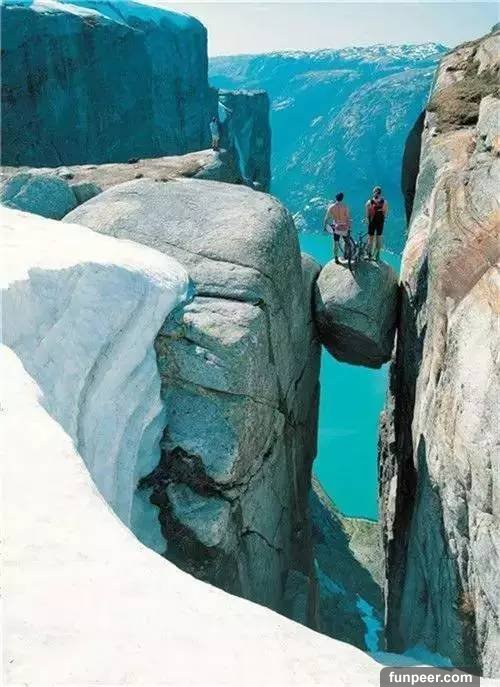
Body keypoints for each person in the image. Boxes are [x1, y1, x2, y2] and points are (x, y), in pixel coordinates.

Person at [324, 192, 352, 264]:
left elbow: (326, 218)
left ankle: (336, 258)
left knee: (336, 243)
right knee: (346, 242)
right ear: (342, 198)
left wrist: (325, 227)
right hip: (344, 228)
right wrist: (349, 227)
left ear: (335, 198)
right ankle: (345, 254)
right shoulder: (345, 207)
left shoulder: (332, 207)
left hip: (337, 228)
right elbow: (348, 218)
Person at [365, 186, 388, 261]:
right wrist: (382, 219)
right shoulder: (384, 202)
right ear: (380, 193)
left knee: (370, 239)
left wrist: (367, 221)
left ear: (374, 193)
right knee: (379, 238)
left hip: (372, 222)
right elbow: (385, 213)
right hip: (380, 222)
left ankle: (369, 255)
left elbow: (367, 214)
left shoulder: (369, 202)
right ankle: (377, 256)